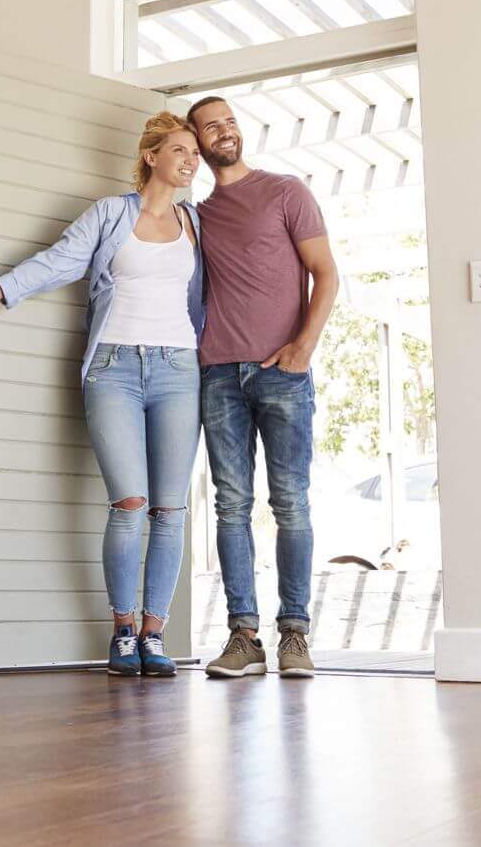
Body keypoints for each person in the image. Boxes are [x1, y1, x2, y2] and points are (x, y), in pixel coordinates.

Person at [0, 112, 205, 678]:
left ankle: (156, 633)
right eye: (180, 149)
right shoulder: (109, 214)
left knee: (171, 509)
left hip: (180, 371)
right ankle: (123, 632)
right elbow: (55, 263)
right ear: (151, 156)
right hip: (114, 368)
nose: (191, 160)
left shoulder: (198, 222)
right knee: (130, 504)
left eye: (195, 154)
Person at [186, 95, 340, 680]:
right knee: (231, 506)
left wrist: (303, 348)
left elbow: (326, 274)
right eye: (211, 127)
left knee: (291, 503)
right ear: (197, 144)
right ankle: (243, 637)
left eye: (230, 121)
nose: (224, 131)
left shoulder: (286, 192)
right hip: (218, 375)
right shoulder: (197, 216)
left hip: (283, 373)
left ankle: (294, 635)